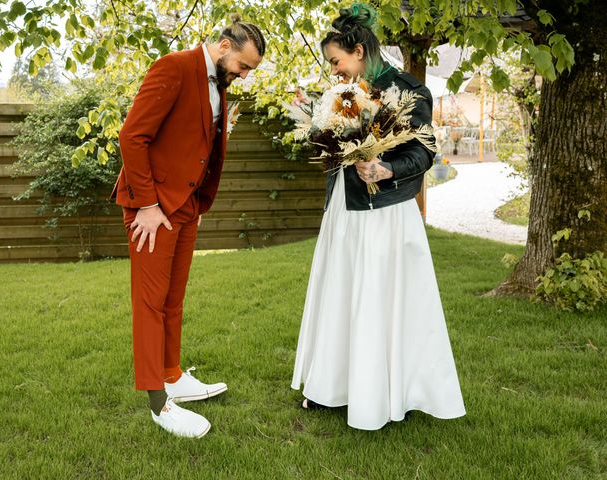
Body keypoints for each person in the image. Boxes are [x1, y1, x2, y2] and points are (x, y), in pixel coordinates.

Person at [291, 3, 466, 431]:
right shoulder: (339, 95)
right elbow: (332, 147)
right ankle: (331, 386)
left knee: (379, 299)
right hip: (343, 211)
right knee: (340, 294)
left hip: (384, 214)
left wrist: (385, 169)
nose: (333, 71)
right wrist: (316, 122)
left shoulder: (408, 90)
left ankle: (387, 391)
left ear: (358, 49)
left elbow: (422, 152)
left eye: (336, 61)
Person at [112, 15, 265, 438]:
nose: (244, 75)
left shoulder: (216, 81)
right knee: (150, 302)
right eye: (243, 65)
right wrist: (145, 204)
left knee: (173, 299)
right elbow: (132, 136)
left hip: (184, 207)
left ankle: (173, 374)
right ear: (223, 45)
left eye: (249, 70)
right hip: (151, 210)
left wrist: (196, 201)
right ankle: (159, 403)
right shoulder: (173, 67)